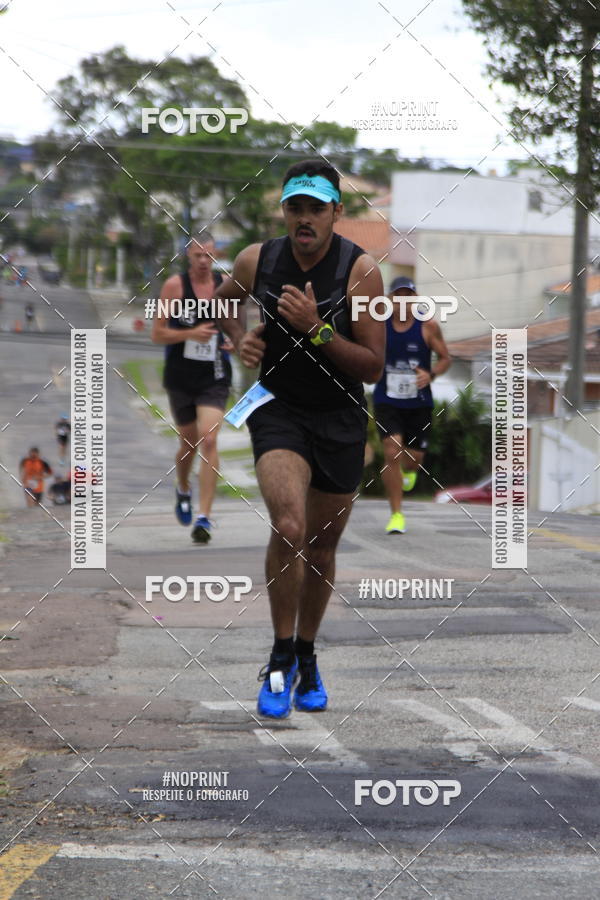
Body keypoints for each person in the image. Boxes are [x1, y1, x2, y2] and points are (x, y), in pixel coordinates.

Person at [216, 158, 385, 718]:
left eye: (317, 208)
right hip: (277, 409)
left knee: (321, 547)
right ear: (284, 211)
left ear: (337, 212)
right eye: (296, 208)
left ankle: (309, 654)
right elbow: (219, 303)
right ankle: (281, 654)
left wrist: (318, 329)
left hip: (339, 415)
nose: (305, 219)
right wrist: (240, 338)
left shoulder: (360, 273)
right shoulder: (256, 259)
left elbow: (371, 367)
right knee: (288, 525)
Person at [152, 231, 233, 544]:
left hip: (214, 376)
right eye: (198, 256)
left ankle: (204, 518)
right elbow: (157, 334)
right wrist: (190, 333)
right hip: (181, 377)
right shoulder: (175, 286)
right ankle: (183, 486)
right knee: (189, 445)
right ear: (188, 256)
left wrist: (231, 341)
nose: (203, 261)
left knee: (209, 439)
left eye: (209, 256)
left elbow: (233, 325)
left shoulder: (224, 285)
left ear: (215, 256)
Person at [373, 276, 451, 534]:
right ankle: (396, 515)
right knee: (391, 451)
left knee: (414, 458)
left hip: (418, 402)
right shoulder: (379, 328)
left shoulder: (428, 327)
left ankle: (411, 471)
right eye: (398, 296)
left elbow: (445, 358)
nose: (403, 301)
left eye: (408, 296)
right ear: (390, 300)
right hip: (387, 399)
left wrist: (431, 374)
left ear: (415, 299)